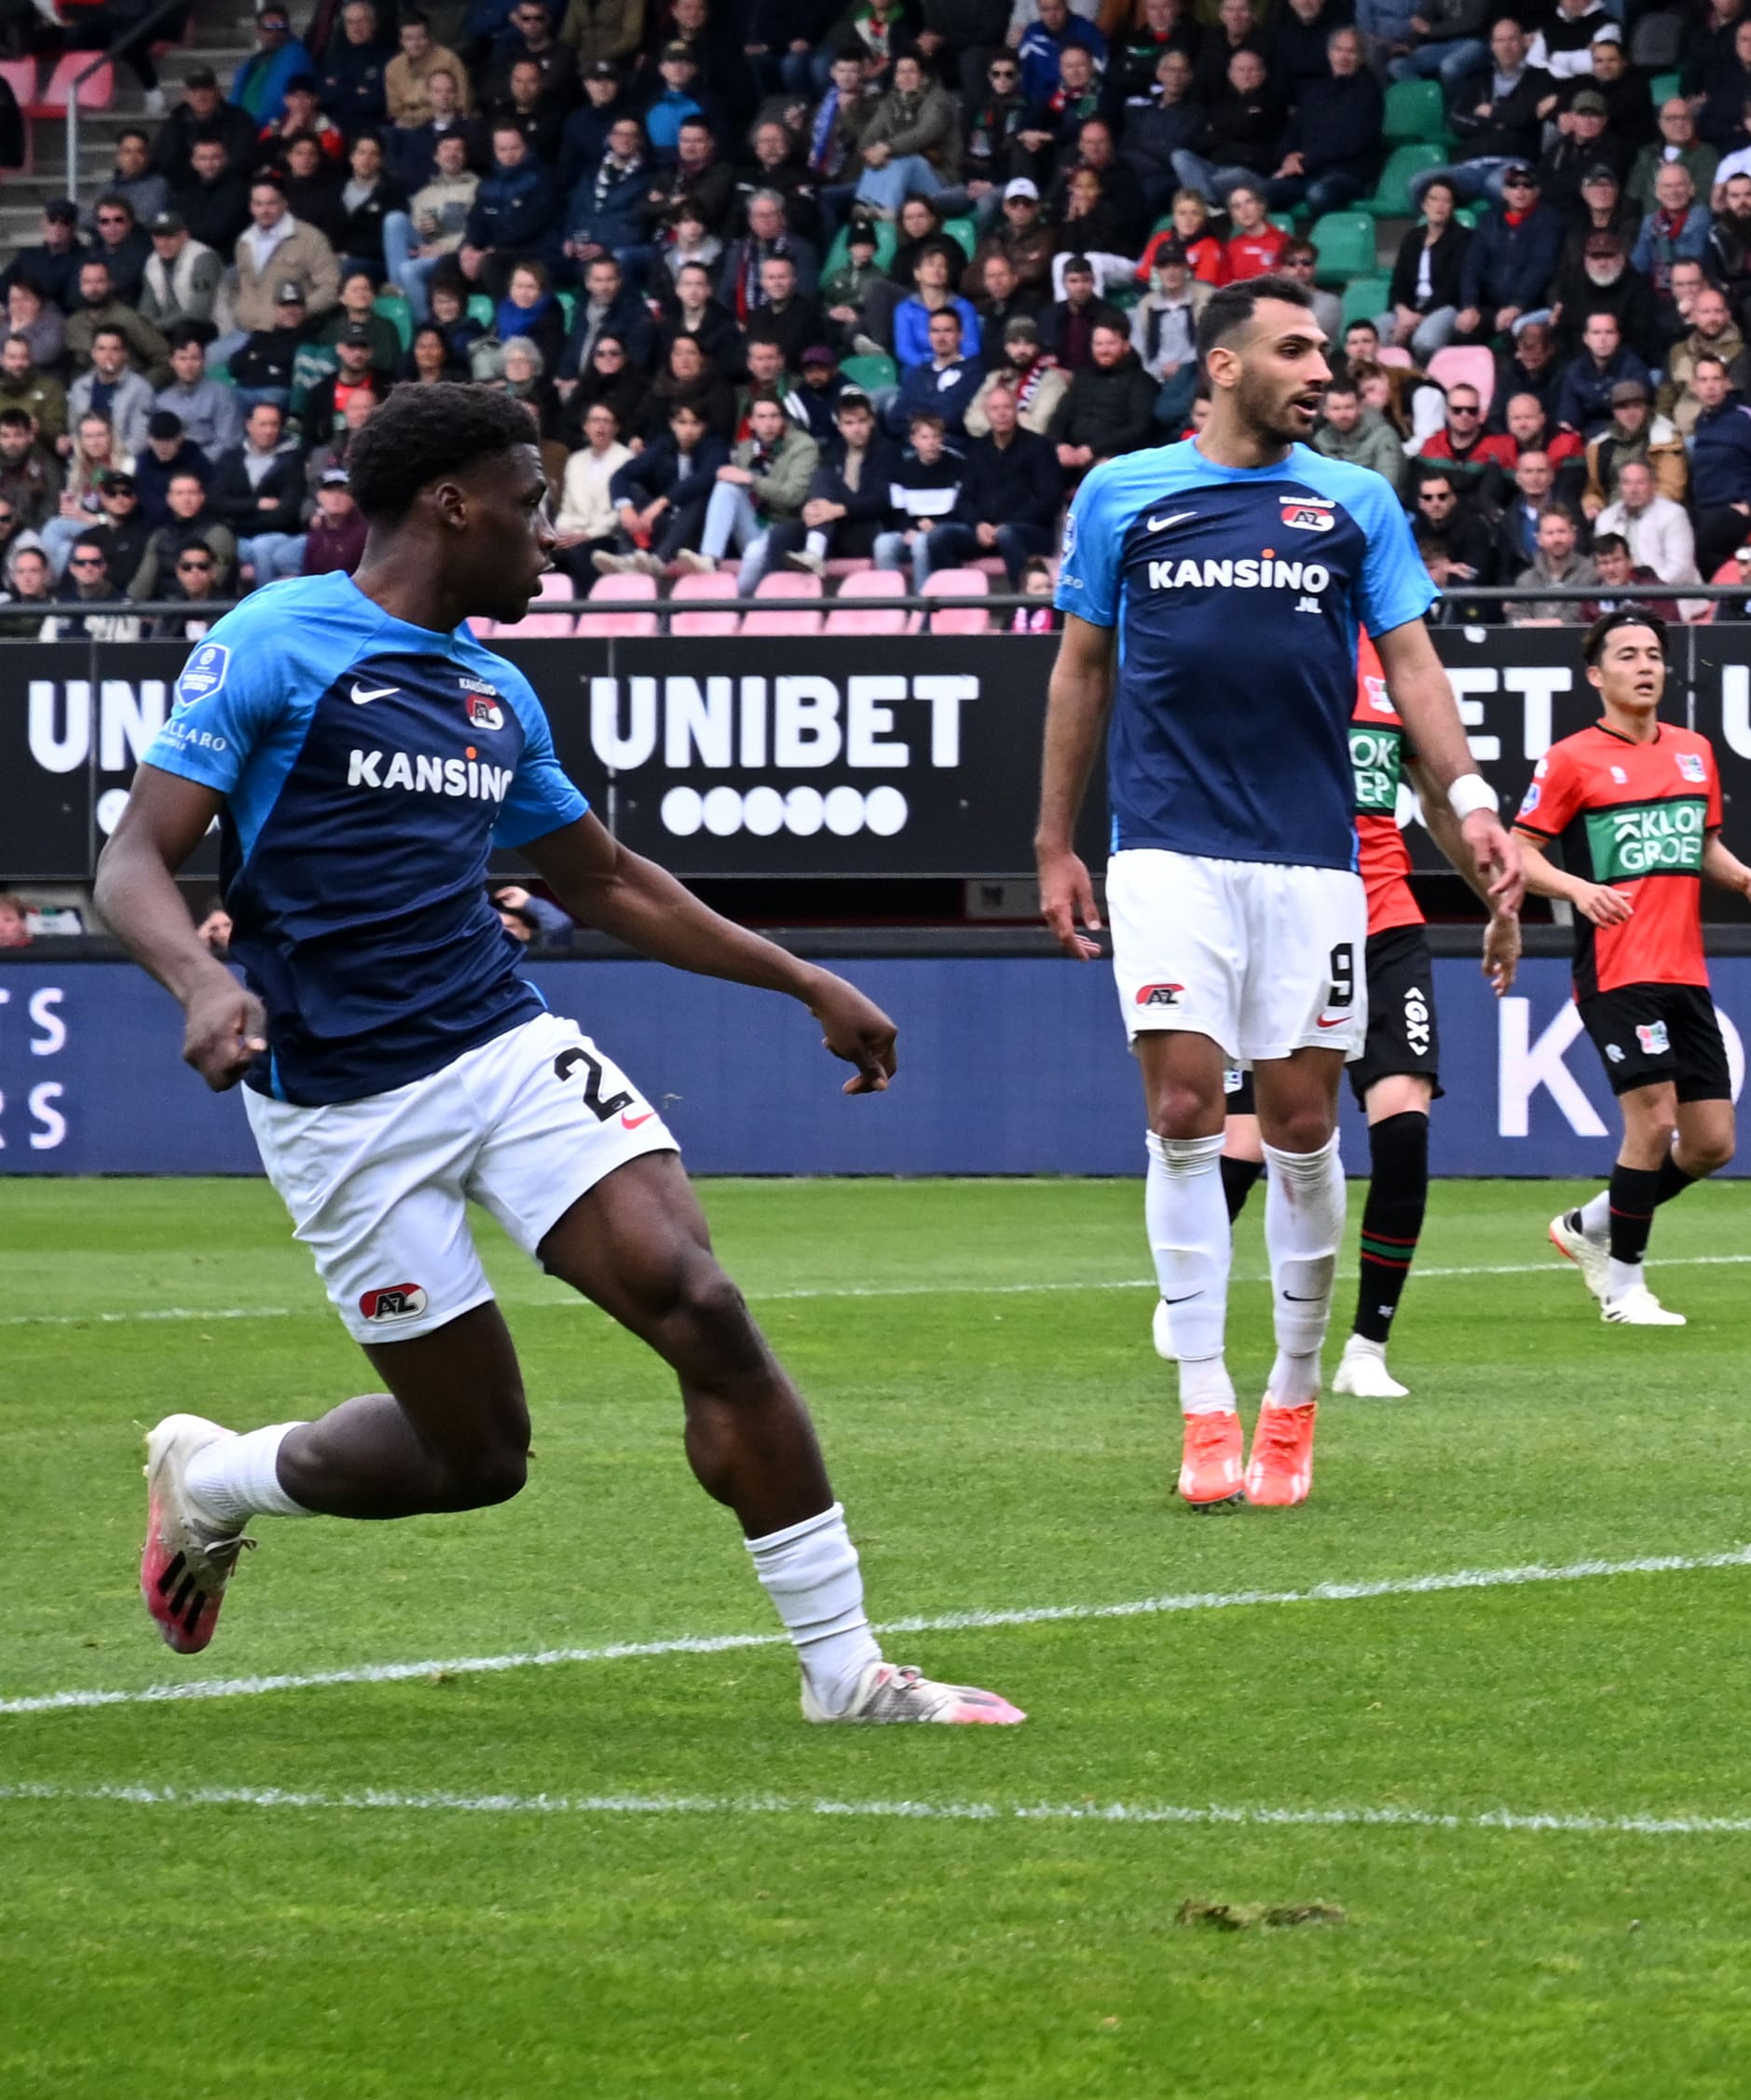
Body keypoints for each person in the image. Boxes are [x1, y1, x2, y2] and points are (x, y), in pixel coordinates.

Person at [112, 380, 1018, 1725]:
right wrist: (198, 978)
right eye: (532, 504)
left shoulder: (496, 693)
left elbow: (606, 880)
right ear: (451, 505)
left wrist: (803, 978)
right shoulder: (276, 641)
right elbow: (133, 857)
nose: (553, 534)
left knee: (701, 1304)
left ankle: (847, 1673)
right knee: (476, 1458)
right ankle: (217, 1478)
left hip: (503, 1046)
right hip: (339, 1105)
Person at [1039, 276, 1519, 1511]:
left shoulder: (1356, 501)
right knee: (1185, 1106)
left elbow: (1412, 666)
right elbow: (1081, 669)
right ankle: (1204, 1405)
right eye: (1296, 350)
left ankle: (1293, 1398)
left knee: (1303, 1125)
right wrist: (1053, 841)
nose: (1324, 370)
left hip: (1312, 860)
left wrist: (1473, 802)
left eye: (1325, 351)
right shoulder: (1121, 492)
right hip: (1166, 849)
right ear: (1223, 365)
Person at [1521, 608, 1751, 1327]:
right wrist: (1579, 890)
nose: (1644, 666)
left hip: (1683, 971)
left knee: (1711, 1143)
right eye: (1627, 655)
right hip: (1617, 969)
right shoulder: (1571, 759)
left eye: (1653, 654)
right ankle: (1625, 1289)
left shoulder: (1694, 752)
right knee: (1653, 1120)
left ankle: (1588, 1226)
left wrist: (1741, 877)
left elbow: (1700, 844)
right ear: (1595, 675)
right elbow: (1518, 851)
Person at [1329, 632, 1493, 1403]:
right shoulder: (1271, 638)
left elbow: (1436, 799)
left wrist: (1498, 904)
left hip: (1387, 926)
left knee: (1402, 1133)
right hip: (1289, 926)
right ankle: (1188, 1292)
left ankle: (1366, 1348)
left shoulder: (1397, 664)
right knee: (1248, 1148)